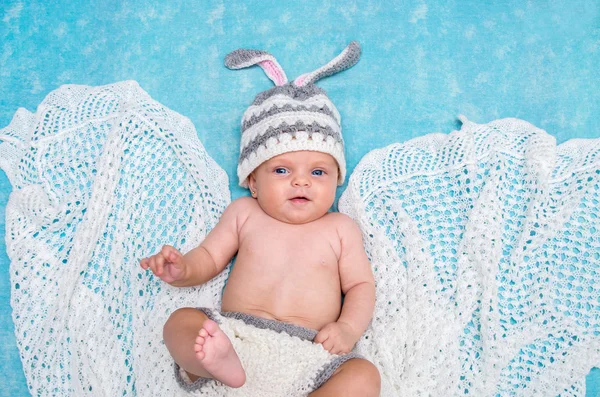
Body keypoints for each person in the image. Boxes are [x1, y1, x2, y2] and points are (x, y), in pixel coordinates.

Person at [140, 42, 380, 396]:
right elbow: (208, 258)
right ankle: (213, 365)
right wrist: (183, 270)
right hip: (232, 338)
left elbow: (360, 286)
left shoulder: (340, 229)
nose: (301, 181)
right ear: (252, 181)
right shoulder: (244, 214)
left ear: (337, 179)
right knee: (181, 322)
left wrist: (347, 328)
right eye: (282, 170)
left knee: (364, 376)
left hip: (311, 352)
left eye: (318, 172)